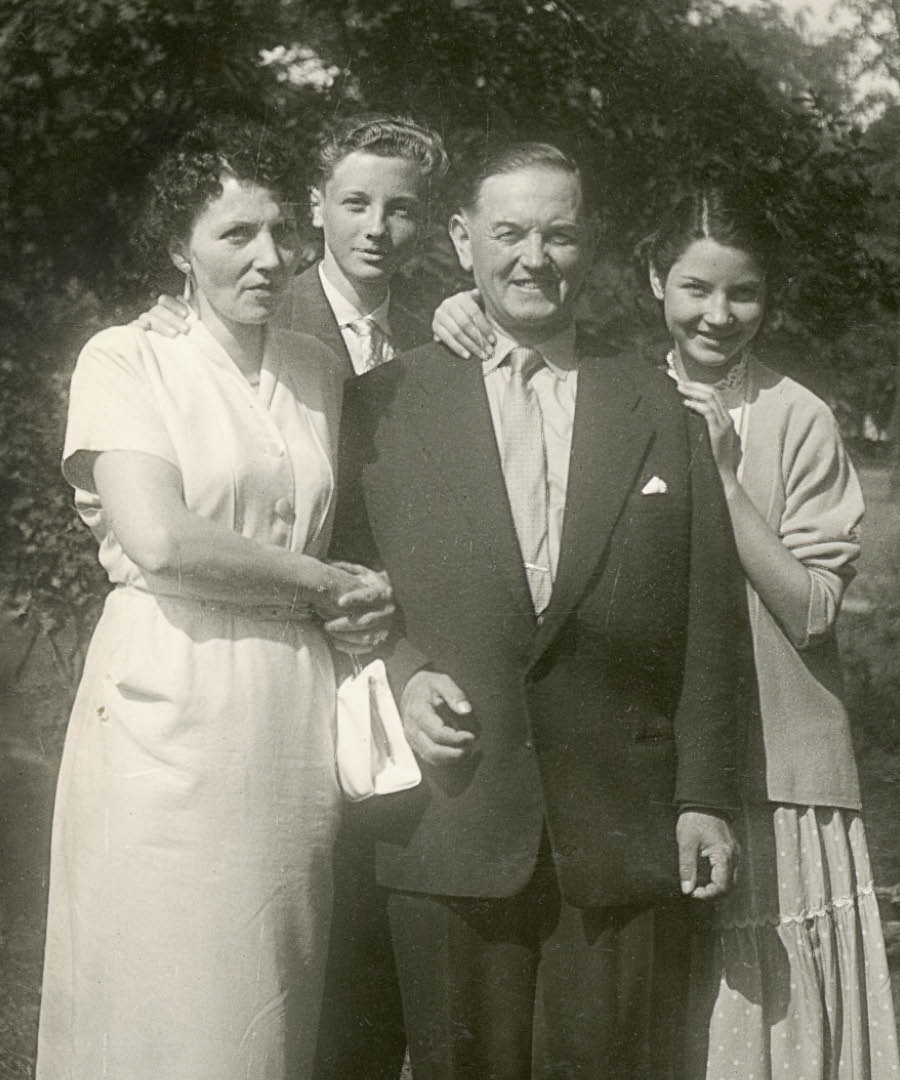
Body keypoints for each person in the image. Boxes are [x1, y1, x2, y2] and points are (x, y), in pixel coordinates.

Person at [332, 141, 746, 1079]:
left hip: (623, 830)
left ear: (588, 245)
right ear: (460, 240)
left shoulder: (658, 404)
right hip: (450, 820)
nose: (533, 258)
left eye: (559, 235)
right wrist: (402, 672)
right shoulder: (385, 403)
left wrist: (704, 800)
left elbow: (711, 619)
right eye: (509, 233)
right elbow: (337, 581)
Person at [35, 115, 393, 1080]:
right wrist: (324, 583)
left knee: (270, 994)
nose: (268, 257)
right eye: (235, 234)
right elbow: (161, 536)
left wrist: (363, 599)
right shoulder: (125, 358)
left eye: (281, 232)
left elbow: (355, 524)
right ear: (176, 249)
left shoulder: (319, 370)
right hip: (168, 692)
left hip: (290, 708)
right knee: (166, 984)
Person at [138, 112, 449, 1080]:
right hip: (258, 663)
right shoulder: (259, 318)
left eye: (401, 211)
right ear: (316, 205)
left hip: (385, 668)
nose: (375, 229)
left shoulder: (442, 336)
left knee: (358, 956)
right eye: (354, 203)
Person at [646, 186, 900, 1079]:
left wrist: (724, 475)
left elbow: (814, 607)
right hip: (659, 760)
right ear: (654, 283)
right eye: (695, 289)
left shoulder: (800, 415)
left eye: (742, 294)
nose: (718, 315)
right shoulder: (619, 397)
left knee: (771, 1018)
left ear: (768, 299)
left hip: (779, 768)